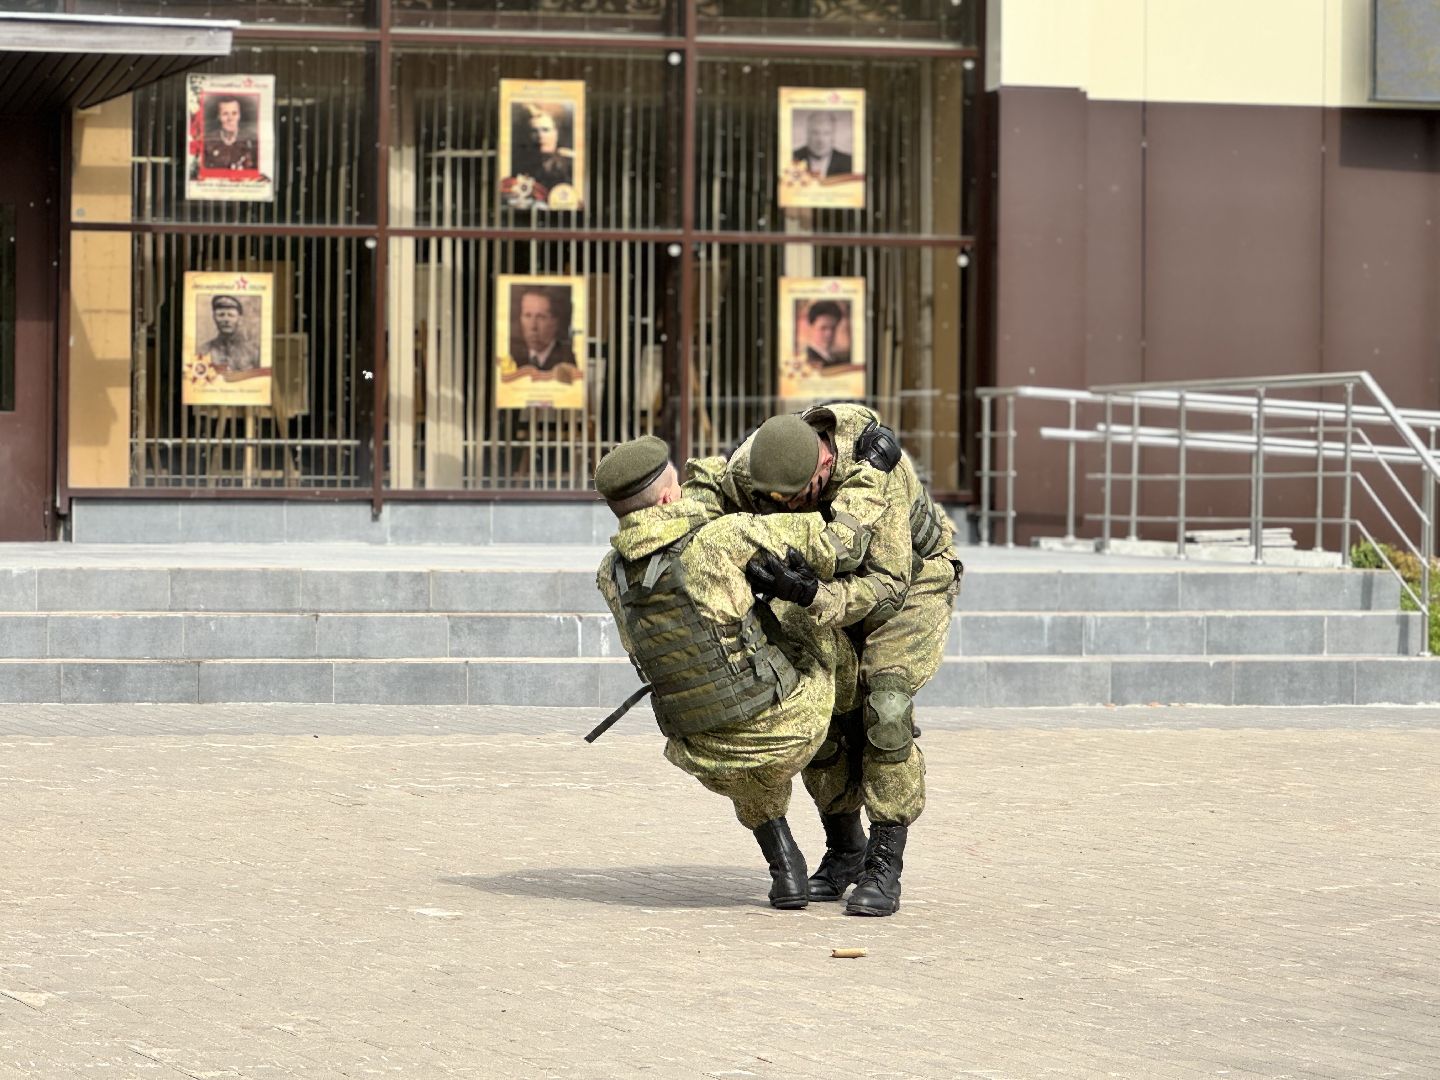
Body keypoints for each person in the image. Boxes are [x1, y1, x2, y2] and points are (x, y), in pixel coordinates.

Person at [594, 436, 863, 910]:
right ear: (667, 498)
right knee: (802, 614)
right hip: (788, 732)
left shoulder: (610, 574)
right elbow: (828, 543)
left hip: (703, 754)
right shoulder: (722, 539)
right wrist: (864, 484)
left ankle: (785, 870)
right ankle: (852, 717)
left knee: (736, 740)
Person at [719, 405, 963, 917]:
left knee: (887, 708)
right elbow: (710, 510)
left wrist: (811, 596)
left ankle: (884, 864)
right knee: (820, 705)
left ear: (824, 464)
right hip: (819, 582)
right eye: (775, 502)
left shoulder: (875, 469)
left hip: (912, 582)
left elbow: (888, 587)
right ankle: (846, 848)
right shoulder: (755, 465)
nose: (788, 509)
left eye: (799, 497)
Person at [511, 287, 576, 374]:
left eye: (541, 317)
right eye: (527, 315)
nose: (533, 326)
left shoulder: (568, 360)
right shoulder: (512, 358)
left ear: (555, 322)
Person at [511, 103, 574, 193]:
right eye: (534, 131)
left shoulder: (570, 164)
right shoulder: (519, 166)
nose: (540, 136)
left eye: (545, 130)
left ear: (556, 134)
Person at [198, 295, 261, 373]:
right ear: (214, 317)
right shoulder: (204, 351)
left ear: (239, 319)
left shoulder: (253, 352)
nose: (226, 320)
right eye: (221, 315)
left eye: (231, 315)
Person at [792, 111, 853, 180]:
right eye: (815, 133)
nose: (820, 140)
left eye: (826, 133)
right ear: (808, 134)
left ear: (833, 136)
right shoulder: (792, 157)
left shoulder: (849, 162)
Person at [204, 97, 258, 172]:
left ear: (239, 116)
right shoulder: (208, 141)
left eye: (234, 113)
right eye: (225, 114)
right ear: (219, 117)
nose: (230, 118)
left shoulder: (252, 141)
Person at [802, 300, 851, 369]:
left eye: (833, 328)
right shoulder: (806, 360)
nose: (829, 334)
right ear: (810, 328)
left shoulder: (835, 359)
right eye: (823, 328)